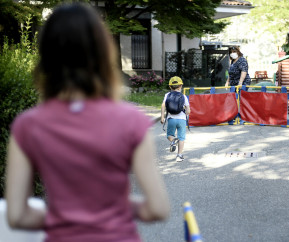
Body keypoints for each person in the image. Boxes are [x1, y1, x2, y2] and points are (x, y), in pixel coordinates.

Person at [5, 3, 169, 242]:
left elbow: (17, 216)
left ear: (46, 56)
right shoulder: (131, 120)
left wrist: (63, 217)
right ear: (102, 53)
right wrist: (118, 207)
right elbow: (158, 208)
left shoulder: (27, 126)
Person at [161, 76, 190, 162]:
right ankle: (179, 156)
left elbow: (163, 106)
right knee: (181, 138)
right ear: (181, 86)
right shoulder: (183, 96)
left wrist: (162, 117)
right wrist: (187, 114)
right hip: (181, 119)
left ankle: (173, 140)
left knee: (169, 135)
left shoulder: (167, 95)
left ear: (170, 87)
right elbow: (188, 110)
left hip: (171, 119)